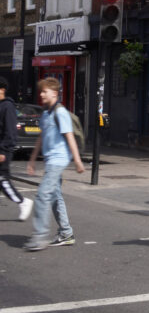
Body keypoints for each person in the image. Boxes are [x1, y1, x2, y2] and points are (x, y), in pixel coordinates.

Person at [25, 77, 85, 251]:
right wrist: (32, 159)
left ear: (54, 93)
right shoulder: (46, 113)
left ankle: (39, 237)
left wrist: (78, 161)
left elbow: (70, 137)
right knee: (54, 198)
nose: (41, 94)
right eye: (41, 91)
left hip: (58, 160)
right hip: (50, 160)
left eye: (45, 91)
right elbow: (41, 136)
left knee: (43, 195)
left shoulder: (61, 113)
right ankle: (66, 233)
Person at [0, 77, 33, 221]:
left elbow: (10, 132)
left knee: (3, 180)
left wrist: (3, 150)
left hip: (3, 150)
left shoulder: (7, 107)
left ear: (2, 90)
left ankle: (23, 202)